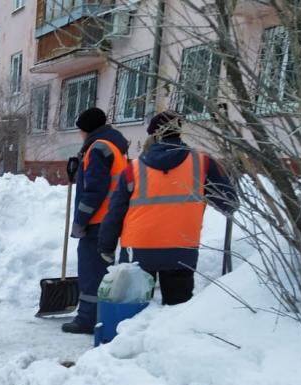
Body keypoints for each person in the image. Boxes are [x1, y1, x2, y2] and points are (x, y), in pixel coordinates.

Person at [98, 111, 237, 305]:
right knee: (176, 311)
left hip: (138, 250)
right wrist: (228, 182)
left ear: (154, 135)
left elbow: (116, 212)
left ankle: (132, 335)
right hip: (181, 249)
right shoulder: (202, 163)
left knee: (133, 308)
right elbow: (229, 203)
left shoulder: (134, 169)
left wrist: (106, 246)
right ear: (179, 131)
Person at [62, 107, 130, 335]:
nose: (79, 134)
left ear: (86, 129)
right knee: (101, 269)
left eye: (80, 130)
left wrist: (80, 220)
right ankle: (98, 315)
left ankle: (87, 320)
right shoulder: (114, 146)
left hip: (97, 220)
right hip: (111, 218)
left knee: (91, 270)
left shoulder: (98, 148)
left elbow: (94, 190)